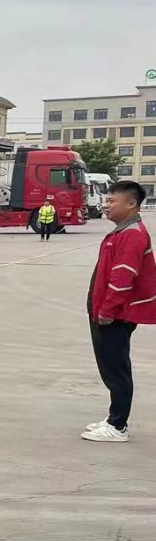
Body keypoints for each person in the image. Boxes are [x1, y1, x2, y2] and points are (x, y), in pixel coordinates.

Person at [83, 180, 154, 443]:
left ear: (132, 204)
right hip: (107, 311)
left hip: (114, 315)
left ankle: (118, 426)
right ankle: (115, 417)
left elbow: (123, 276)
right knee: (111, 367)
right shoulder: (122, 231)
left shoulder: (131, 234)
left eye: (112, 201)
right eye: (107, 200)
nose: (106, 205)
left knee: (116, 369)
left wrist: (107, 310)